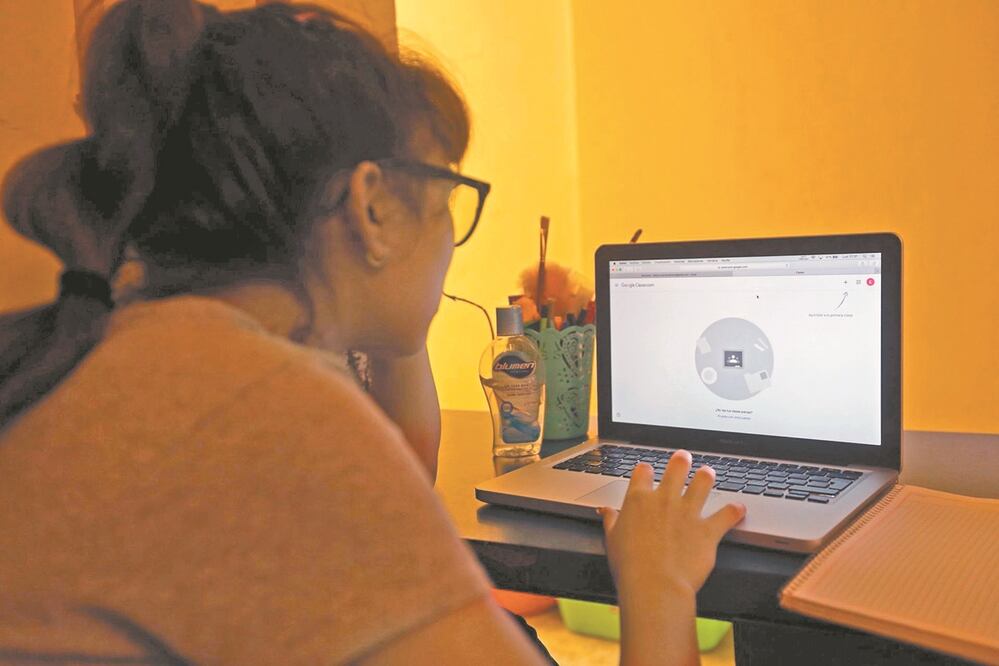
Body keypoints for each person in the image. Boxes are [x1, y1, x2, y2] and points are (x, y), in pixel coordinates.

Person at [0, 2, 746, 664]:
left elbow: (396, 479)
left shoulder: (144, 349)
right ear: (371, 207)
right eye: (449, 194)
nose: (451, 234)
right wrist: (660, 584)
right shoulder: (270, 410)